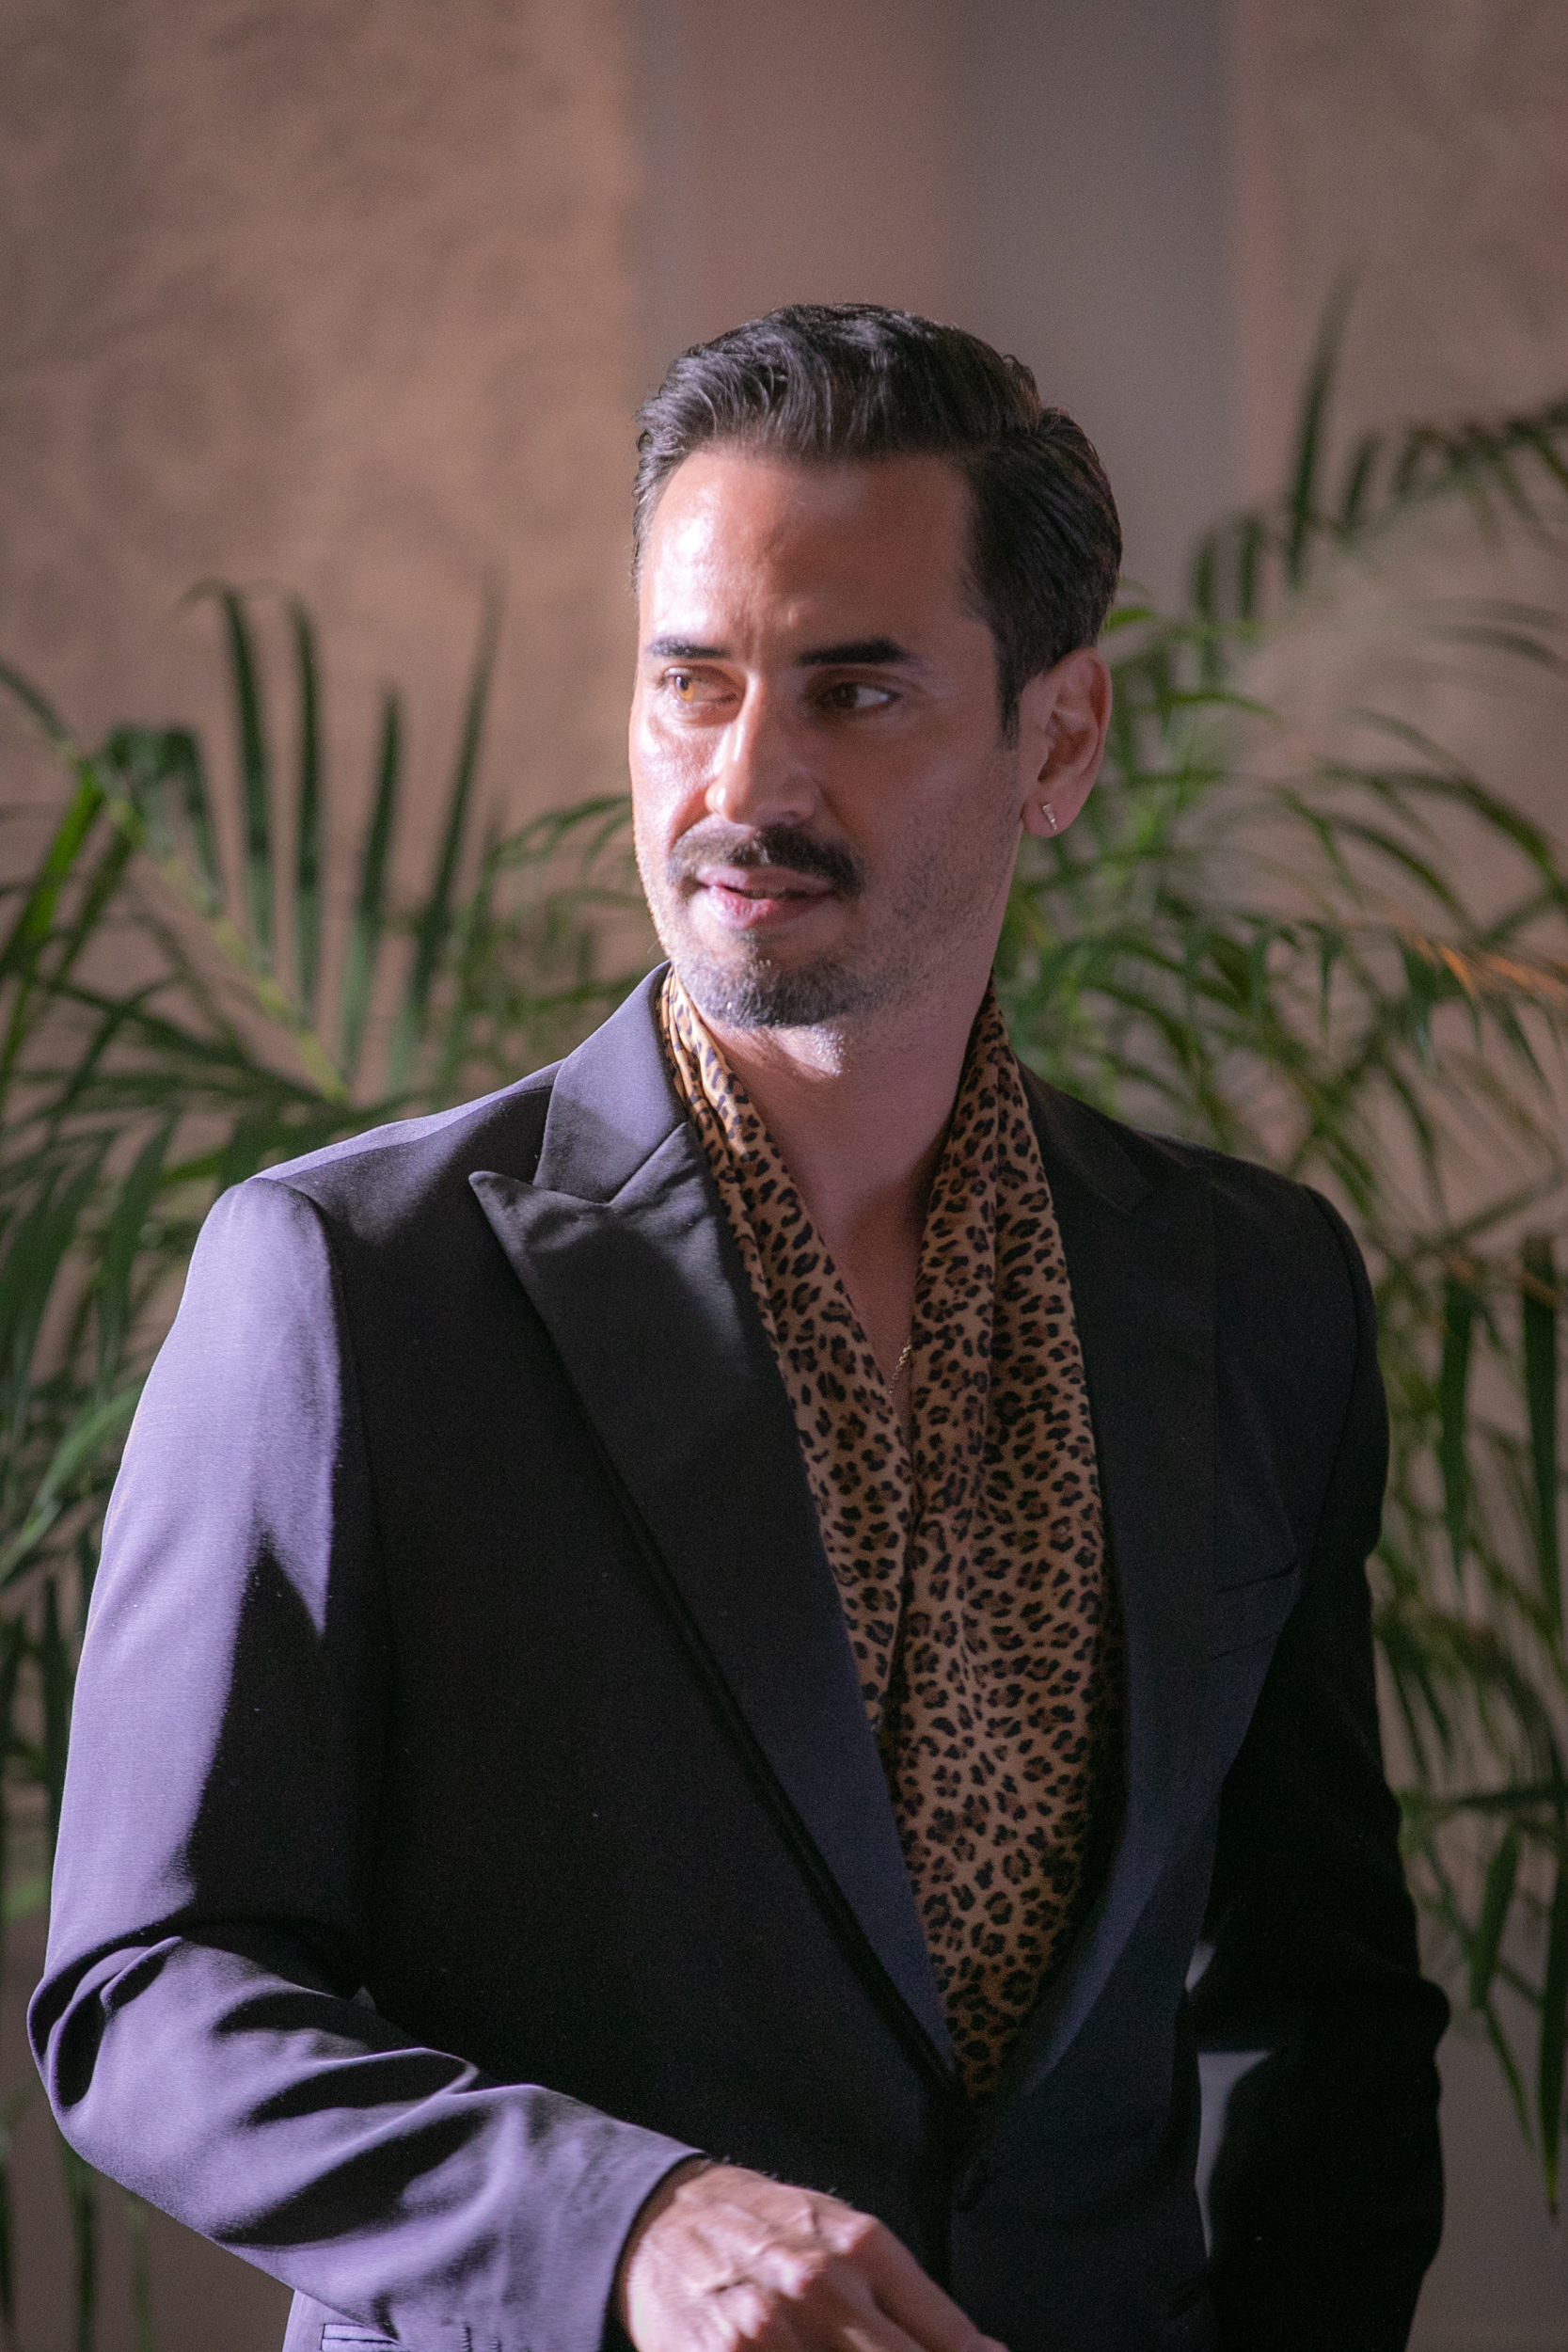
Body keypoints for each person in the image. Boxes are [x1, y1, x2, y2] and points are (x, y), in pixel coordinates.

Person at [32, 306, 1447, 2352]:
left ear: (1060, 740)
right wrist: (626, 2224)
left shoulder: (1252, 1291)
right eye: (690, 680)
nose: (745, 779)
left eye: (856, 690)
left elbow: (1324, 2001)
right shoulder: (352, 1280)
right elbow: (148, 1993)